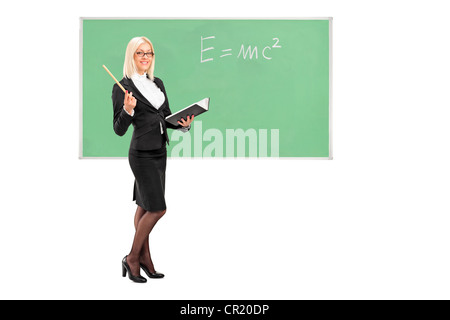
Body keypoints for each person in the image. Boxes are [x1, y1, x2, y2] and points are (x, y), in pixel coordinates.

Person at [112, 36, 193, 283]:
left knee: (145, 206)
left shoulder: (157, 83)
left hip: (160, 151)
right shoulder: (122, 87)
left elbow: (165, 117)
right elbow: (118, 129)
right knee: (158, 209)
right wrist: (127, 110)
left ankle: (145, 258)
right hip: (141, 154)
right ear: (131, 56)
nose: (145, 57)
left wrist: (183, 126)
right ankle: (132, 258)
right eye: (140, 53)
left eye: (149, 53)